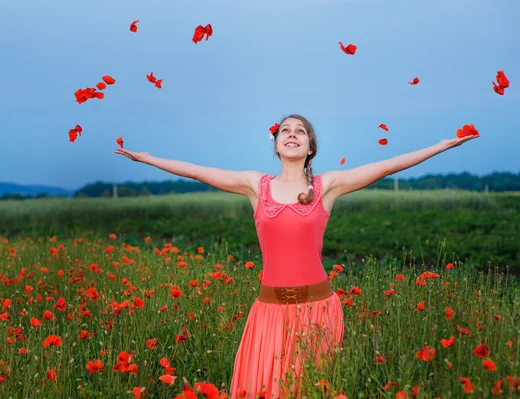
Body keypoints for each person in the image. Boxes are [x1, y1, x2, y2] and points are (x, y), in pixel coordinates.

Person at [115, 114, 478, 398]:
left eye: (300, 131)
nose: (291, 134)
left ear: (310, 147)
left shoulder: (328, 187)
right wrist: (148, 160)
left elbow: (387, 166)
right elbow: (198, 172)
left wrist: (443, 144)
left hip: (318, 313)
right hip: (268, 316)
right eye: (284, 130)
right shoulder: (255, 185)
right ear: (275, 144)